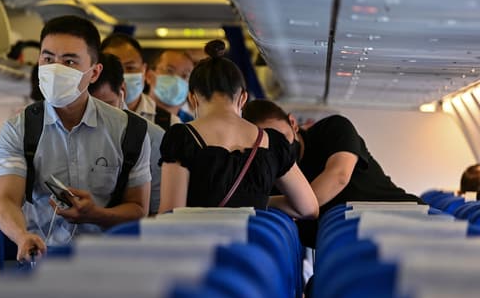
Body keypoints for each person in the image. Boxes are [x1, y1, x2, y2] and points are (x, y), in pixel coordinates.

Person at [0, 15, 151, 261]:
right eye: (48, 59)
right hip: (43, 259)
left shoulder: (129, 130)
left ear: (94, 72)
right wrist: (21, 236)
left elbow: (138, 209)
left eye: (69, 62)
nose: (56, 70)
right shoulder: (18, 129)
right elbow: (6, 200)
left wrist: (96, 214)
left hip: (111, 262)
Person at [159, 41, 318, 219]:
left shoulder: (181, 138)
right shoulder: (273, 143)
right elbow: (309, 209)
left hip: (201, 244)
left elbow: (171, 215)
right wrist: (258, 200)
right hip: (254, 244)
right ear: (243, 98)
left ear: (192, 98)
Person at [242, 99, 423, 245]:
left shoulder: (333, 129)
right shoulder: (270, 174)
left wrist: (266, 201)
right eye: (271, 145)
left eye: (283, 138)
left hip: (408, 221)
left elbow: (338, 177)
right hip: (352, 247)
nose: (281, 149)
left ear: (292, 123)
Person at [89, 53, 164, 215]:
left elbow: (158, 213)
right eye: (91, 109)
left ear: (122, 90)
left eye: (108, 106)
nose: (100, 117)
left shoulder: (152, 137)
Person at [101, 33, 178, 130]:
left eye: (130, 68)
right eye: (114, 68)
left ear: (144, 70)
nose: (122, 75)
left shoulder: (169, 123)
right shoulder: (85, 114)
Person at [147, 49, 195, 123]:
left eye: (185, 75)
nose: (177, 80)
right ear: (149, 76)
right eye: (169, 70)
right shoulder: (133, 115)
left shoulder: (192, 125)